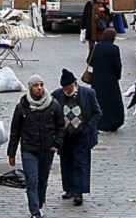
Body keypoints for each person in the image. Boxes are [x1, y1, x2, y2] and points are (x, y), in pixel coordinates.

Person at [8, 75, 65, 218]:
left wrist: (56, 144)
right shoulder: (22, 107)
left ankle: (39, 204)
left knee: (42, 181)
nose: (39, 88)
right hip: (29, 149)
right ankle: (35, 212)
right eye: (36, 85)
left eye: (41, 85)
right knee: (31, 181)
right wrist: (12, 153)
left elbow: (60, 127)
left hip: (47, 149)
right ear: (30, 88)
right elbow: (15, 131)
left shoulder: (53, 105)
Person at [51, 69, 102, 206]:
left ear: (75, 84)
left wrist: (88, 126)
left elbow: (97, 113)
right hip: (65, 135)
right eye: (65, 89)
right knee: (66, 161)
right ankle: (69, 188)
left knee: (80, 162)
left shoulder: (88, 94)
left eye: (69, 88)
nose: (67, 91)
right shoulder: (56, 95)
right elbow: (53, 114)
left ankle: (79, 192)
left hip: (82, 134)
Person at [88, 28, 124, 132]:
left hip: (97, 79)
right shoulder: (114, 49)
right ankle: (112, 122)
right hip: (110, 80)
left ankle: (100, 123)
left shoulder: (95, 47)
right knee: (112, 102)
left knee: (99, 101)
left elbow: (89, 61)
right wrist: (117, 76)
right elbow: (117, 65)